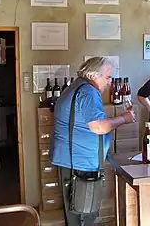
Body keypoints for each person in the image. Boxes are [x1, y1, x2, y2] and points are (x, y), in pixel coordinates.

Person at [51, 57, 136, 226]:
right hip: (79, 165)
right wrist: (124, 118)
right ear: (94, 75)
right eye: (108, 77)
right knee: (83, 216)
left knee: (75, 215)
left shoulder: (77, 87)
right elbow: (98, 127)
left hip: (72, 161)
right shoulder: (88, 92)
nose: (110, 82)